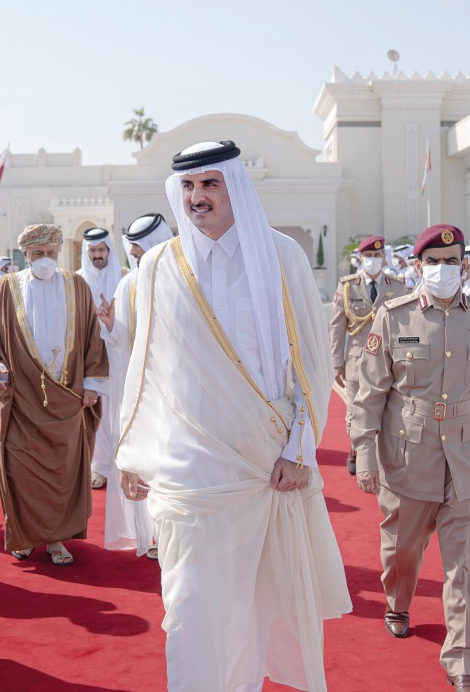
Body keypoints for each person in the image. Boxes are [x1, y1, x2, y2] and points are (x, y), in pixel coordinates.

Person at [115, 141, 351, 692]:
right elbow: (144, 367)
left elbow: (310, 364)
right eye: (189, 187)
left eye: (211, 184)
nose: (198, 197)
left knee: (250, 607)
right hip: (185, 470)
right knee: (190, 609)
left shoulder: (281, 257)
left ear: (235, 187)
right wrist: (130, 450)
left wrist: (299, 449)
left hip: (261, 464)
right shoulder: (156, 267)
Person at [350, 223, 470, 692]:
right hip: (409, 454)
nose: (443, 271)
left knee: (465, 564)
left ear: (464, 265)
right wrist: (365, 453)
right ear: (419, 267)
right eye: (433, 263)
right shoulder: (394, 317)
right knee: (404, 550)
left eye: (451, 263)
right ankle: (398, 602)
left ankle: (462, 661)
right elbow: (369, 392)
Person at [0, 224, 108, 566]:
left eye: (51, 253)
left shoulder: (77, 285)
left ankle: (57, 541)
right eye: (38, 254)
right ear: (25, 256)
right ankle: (25, 535)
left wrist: (92, 383)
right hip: (21, 400)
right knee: (19, 471)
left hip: (67, 400)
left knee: (63, 475)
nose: (45, 260)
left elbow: (93, 337)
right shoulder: (6, 289)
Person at [95, 213, 172, 559]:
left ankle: (172, 529)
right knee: (144, 459)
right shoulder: (128, 285)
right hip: (143, 389)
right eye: (137, 257)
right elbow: (123, 342)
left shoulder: (181, 280)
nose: (142, 263)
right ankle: (152, 534)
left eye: (146, 255)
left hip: (177, 390)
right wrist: (111, 327)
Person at [331, 235, 407, 475]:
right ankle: (357, 451)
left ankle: (380, 454)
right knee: (354, 409)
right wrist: (336, 362)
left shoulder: (398, 286)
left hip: (388, 361)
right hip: (356, 360)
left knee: (386, 408)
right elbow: (337, 327)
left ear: (384, 258)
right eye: (368, 256)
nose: (373, 260)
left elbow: (406, 325)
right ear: (360, 258)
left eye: (377, 256)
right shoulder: (347, 286)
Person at [75, 227, 126, 489]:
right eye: (93, 251)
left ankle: (124, 464)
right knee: (98, 414)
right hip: (89, 357)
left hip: (119, 354)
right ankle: (99, 467)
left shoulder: (124, 277)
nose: (97, 255)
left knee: (119, 411)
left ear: (109, 250)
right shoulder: (77, 280)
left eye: (101, 250)